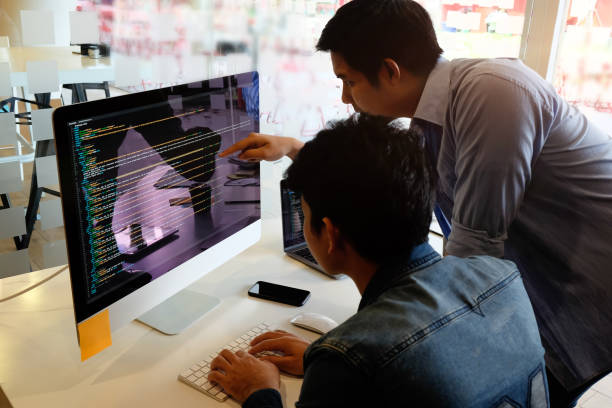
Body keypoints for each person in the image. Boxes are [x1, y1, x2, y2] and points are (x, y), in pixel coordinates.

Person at [219, 1, 612, 405]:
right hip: (535, 290)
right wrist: (294, 148)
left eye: (349, 81)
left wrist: (358, 355)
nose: (345, 98)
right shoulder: (431, 121)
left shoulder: (492, 92)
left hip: (581, 300)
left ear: (390, 71)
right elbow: (385, 184)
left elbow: (473, 258)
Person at [208, 114, 548, 407]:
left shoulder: (348, 361)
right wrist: (325, 359)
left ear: (331, 235)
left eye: (304, 213)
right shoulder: (502, 275)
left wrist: (260, 391)